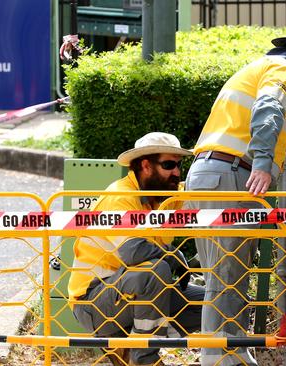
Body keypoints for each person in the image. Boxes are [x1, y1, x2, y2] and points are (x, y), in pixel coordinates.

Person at [185, 32, 286, 366]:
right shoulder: (284, 69)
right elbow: (269, 107)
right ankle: (221, 359)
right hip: (231, 176)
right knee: (228, 277)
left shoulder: (262, 67)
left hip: (210, 175)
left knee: (224, 276)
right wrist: (261, 164)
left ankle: (229, 353)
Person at [68, 132, 204, 366]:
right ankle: (143, 360)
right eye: (169, 165)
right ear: (145, 166)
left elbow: (206, 198)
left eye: (179, 165)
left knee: (215, 302)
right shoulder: (119, 197)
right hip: (92, 302)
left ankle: (130, 344)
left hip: (132, 291)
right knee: (155, 270)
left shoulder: (164, 197)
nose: (177, 173)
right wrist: (175, 255)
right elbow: (134, 253)